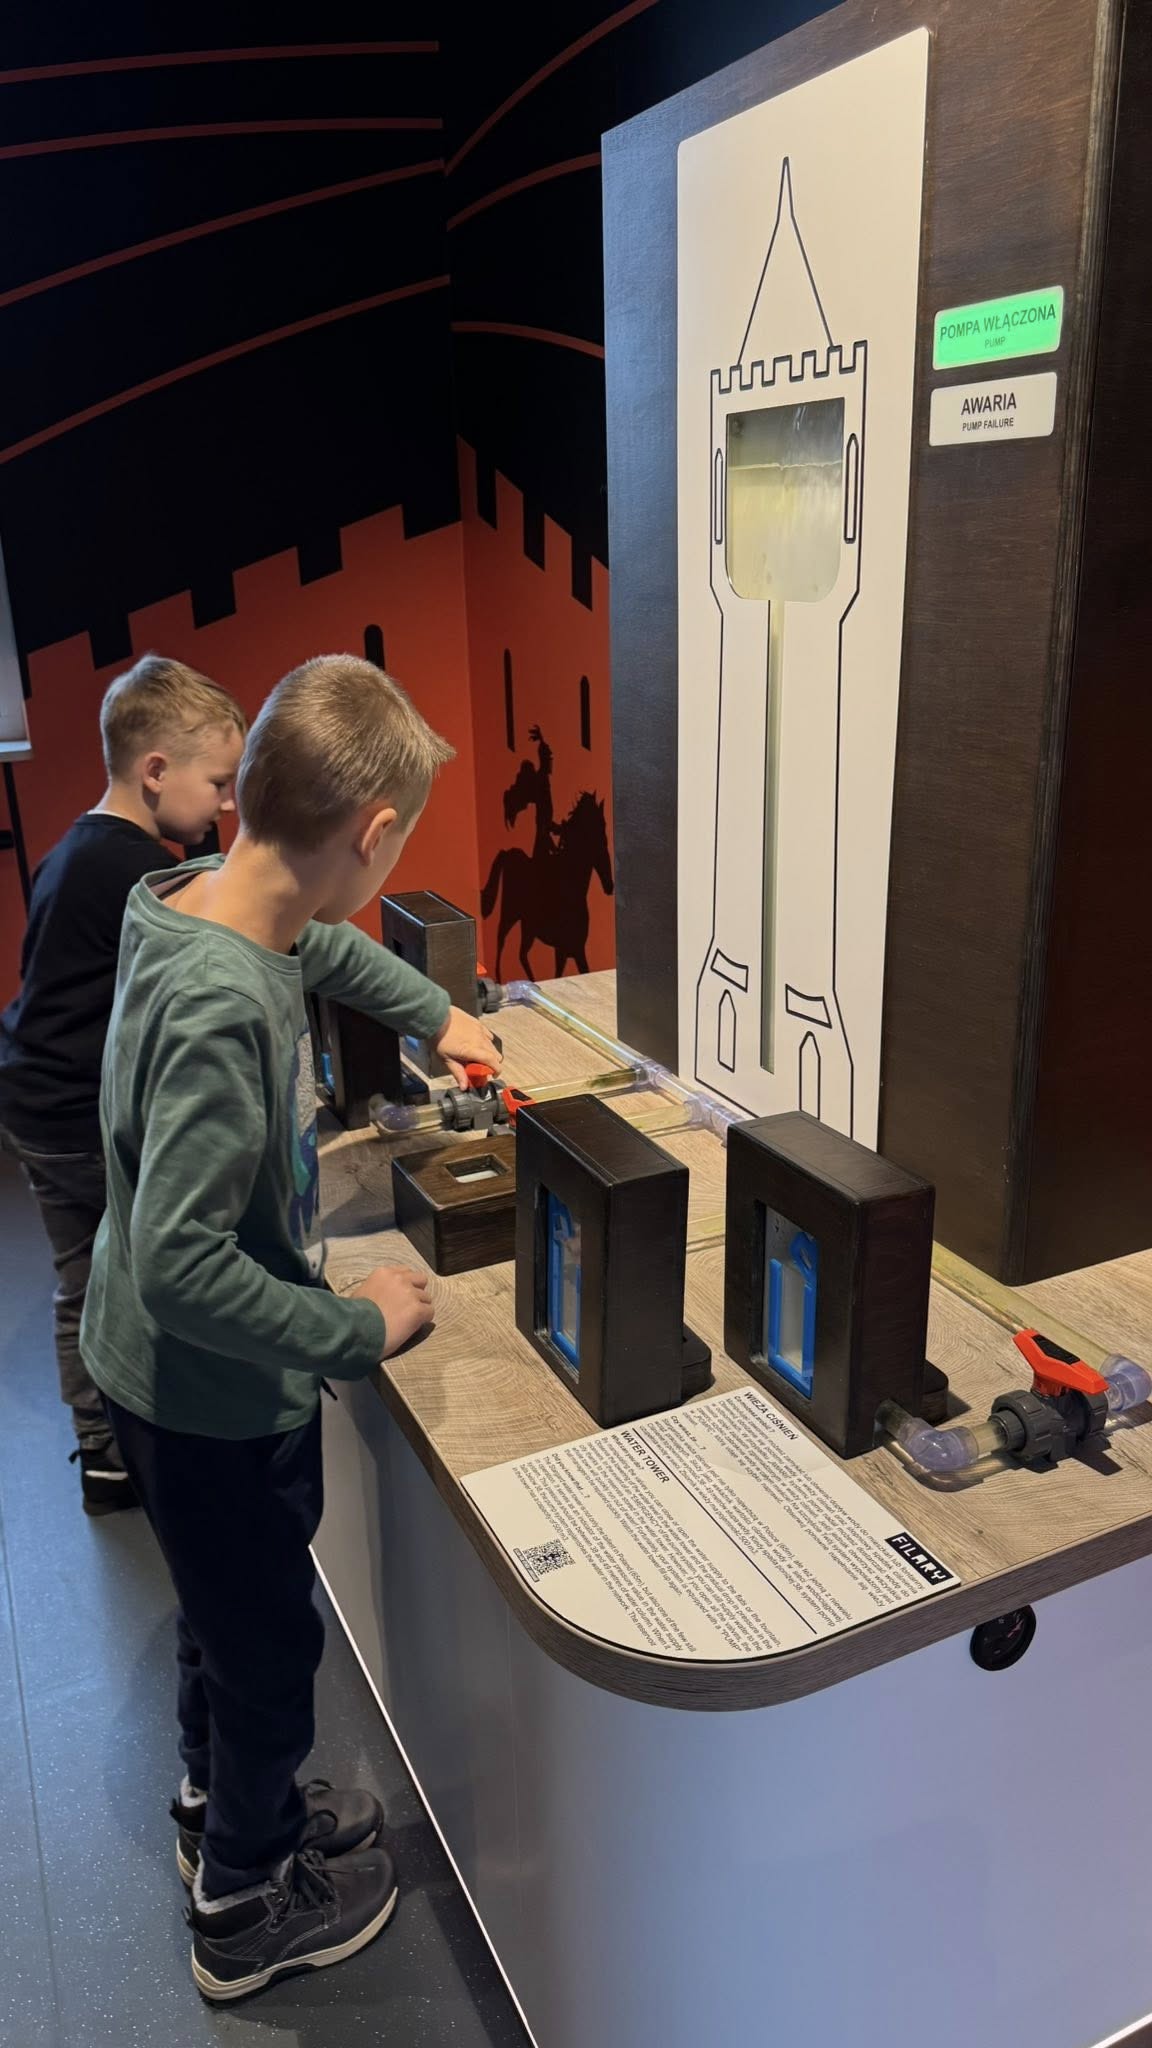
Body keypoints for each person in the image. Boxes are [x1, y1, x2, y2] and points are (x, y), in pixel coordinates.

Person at [80, 653, 502, 2003]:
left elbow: (317, 943)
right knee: (269, 1654)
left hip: (156, 1378)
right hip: (206, 1394)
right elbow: (183, 1264)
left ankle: (223, 1802)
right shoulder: (222, 1007)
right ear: (373, 836)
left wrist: (435, 1011)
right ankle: (245, 1904)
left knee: (219, 1623)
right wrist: (350, 1323)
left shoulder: (200, 897)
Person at [0, 654, 246, 1513]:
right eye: (217, 783)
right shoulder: (143, 876)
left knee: (80, 1275)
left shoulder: (73, 850)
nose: (225, 805)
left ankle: (103, 1455)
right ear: (155, 771)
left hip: (29, 1100)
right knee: (165, 1267)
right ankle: (173, 1437)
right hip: (78, 1116)